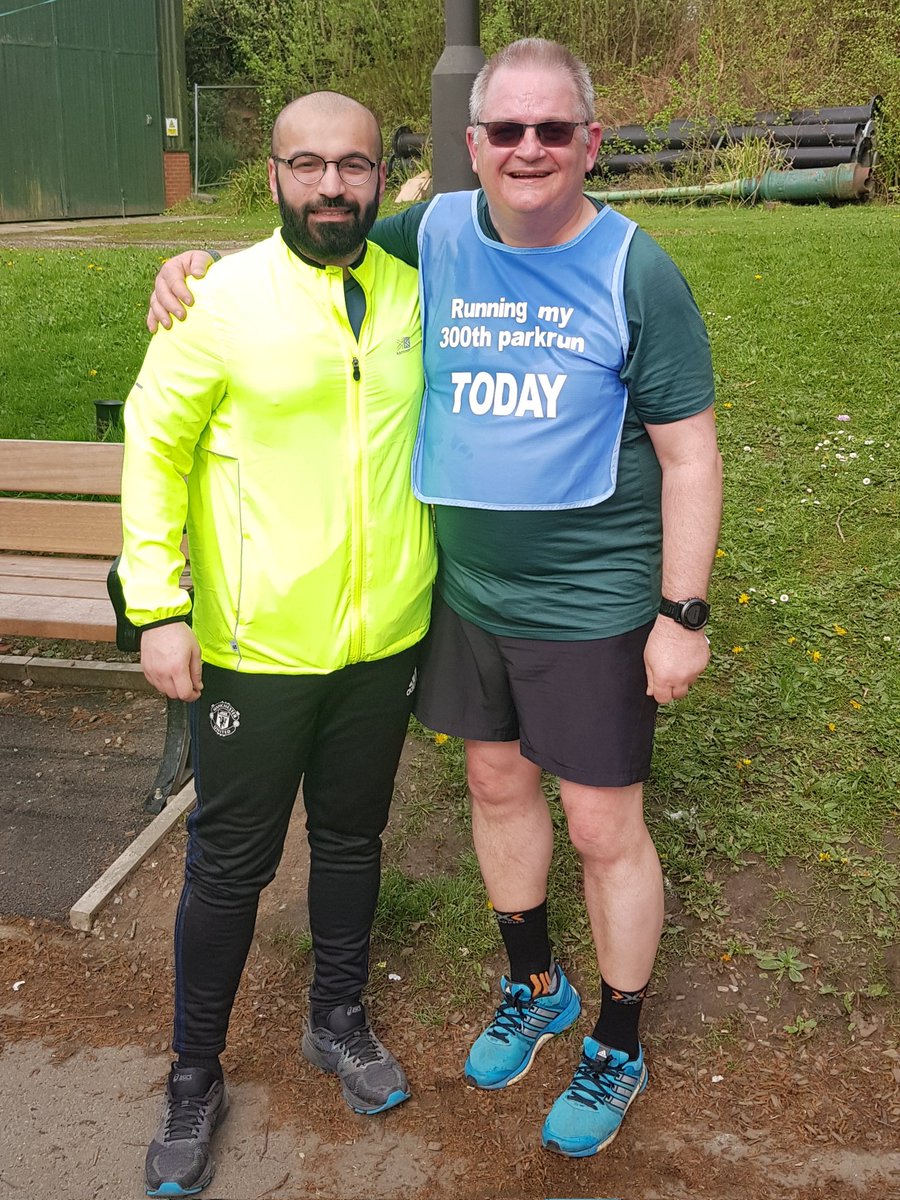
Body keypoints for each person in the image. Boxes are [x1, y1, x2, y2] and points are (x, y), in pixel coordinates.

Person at [148, 38, 722, 1161]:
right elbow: (317, 236)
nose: (528, 149)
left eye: (553, 129)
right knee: (496, 783)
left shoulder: (636, 269)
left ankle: (616, 1039)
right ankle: (536, 986)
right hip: (464, 588)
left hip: (595, 597)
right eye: (505, 129)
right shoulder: (438, 233)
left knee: (605, 826)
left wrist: (681, 610)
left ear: (589, 142)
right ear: (473, 146)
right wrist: (200, 260)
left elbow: (690, 455)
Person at [121, 91, 435, 1197]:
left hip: (381, 640)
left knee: (352, 840)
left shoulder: (410, 292)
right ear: (273, 177)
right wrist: (158, 608)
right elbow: (153, 447)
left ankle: (336, 1021)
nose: (331, 188)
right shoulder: (218, 299)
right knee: (229, 866)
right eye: (307, 166)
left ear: (377, 174)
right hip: (252, 650)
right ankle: (193, 1075)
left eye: (352, 166)